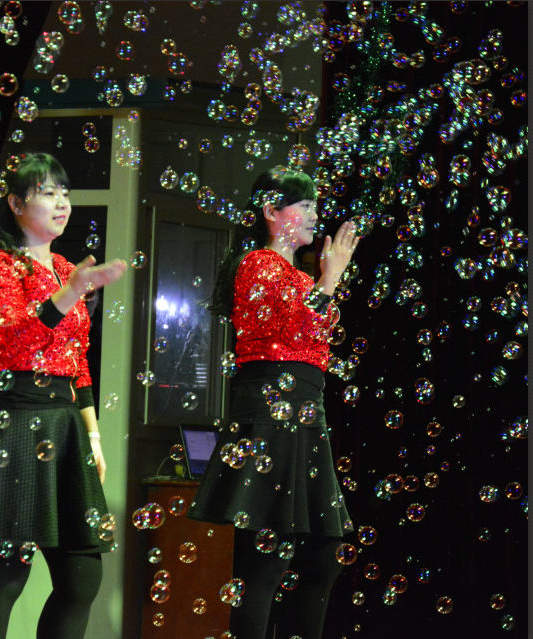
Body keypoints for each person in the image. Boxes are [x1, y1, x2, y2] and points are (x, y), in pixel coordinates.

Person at [0, 152, 126, 639]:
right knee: (4, 577)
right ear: (16, 204)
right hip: (16, 423)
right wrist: (70, 294)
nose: (62, 203)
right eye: (47, 193)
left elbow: (77, 359)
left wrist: (93, 436)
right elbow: (11, 341)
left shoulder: (64, 268)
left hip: (65, 425)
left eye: (65, 192)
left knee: (82, 578)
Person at [188, 166, 359, 639]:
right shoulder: (258, 264)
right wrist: (330, 279)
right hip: (270, 415)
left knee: (324, 557)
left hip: (304, 414)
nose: (315, 215)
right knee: (263, 565)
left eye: (316, 206)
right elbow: (296, 327)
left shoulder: (300, 276)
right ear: (271, 211)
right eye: (304, 205)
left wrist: (323, 282)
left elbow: (313, 337)